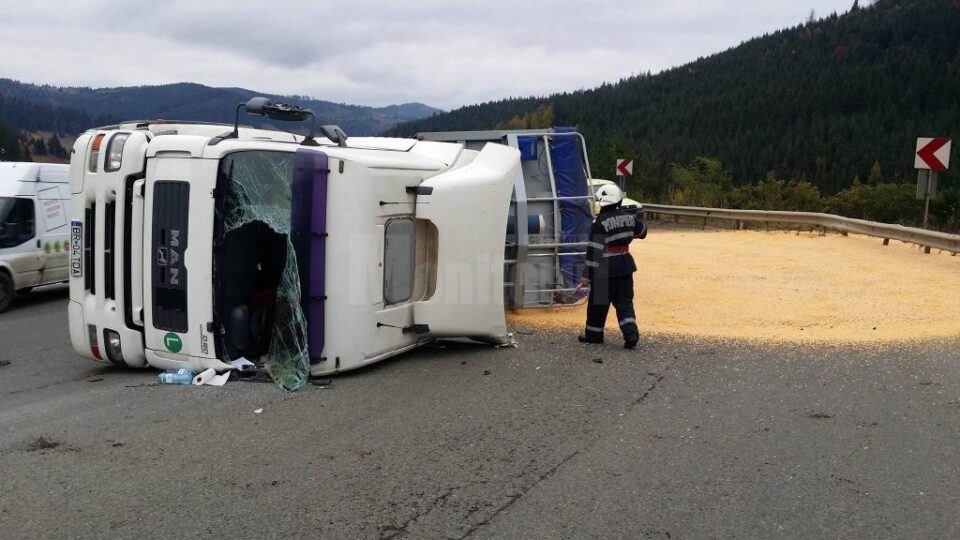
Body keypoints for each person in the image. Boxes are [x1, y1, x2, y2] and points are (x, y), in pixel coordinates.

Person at [578, 184, 647, 348]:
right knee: (625, 303)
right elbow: (643, 232)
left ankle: (594, 335)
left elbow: (593, 253)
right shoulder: (630, 218)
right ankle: (631, 335)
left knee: (598, 304)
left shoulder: (599, 223)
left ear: (602, 202)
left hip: (603, 268)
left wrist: (586, 276)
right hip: (625, 265)